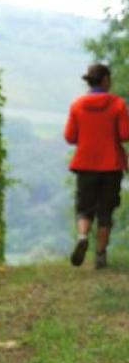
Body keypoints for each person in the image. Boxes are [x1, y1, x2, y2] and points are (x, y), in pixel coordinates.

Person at [64, 63, 129, 268]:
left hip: (85, 164)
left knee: (84, 208)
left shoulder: (77, 105)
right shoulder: (117, 104)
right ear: (105, 80)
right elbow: (125, 135)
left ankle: (83, 236)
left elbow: (70, 137)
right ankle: (100, 255)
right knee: (105, 212)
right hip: (111, 165)